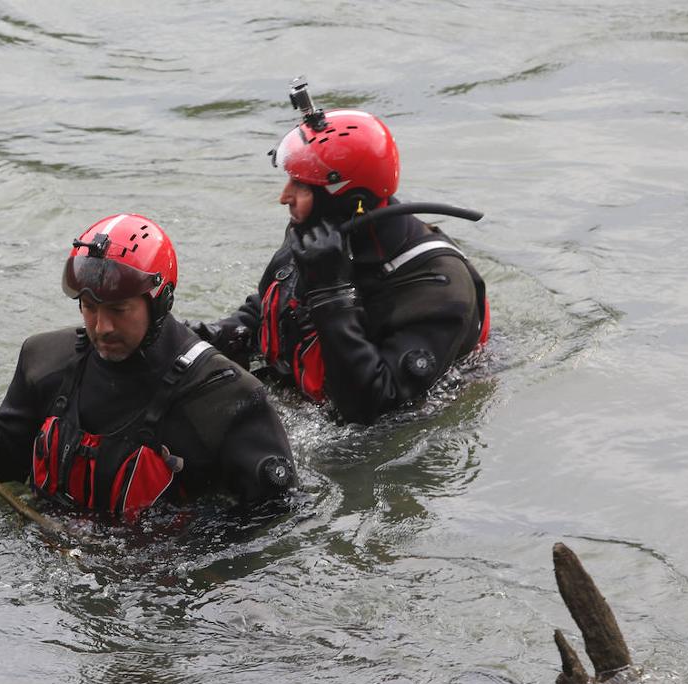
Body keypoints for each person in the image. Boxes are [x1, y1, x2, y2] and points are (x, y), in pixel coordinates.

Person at [0, 213, 297, 526]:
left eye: (119, 310)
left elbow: (274, 516)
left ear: (160, 302)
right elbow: (7, 455)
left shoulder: (226, 397)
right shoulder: (45, 360)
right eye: (89, 308)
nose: (102, 328)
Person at [193, 78, 490, 426]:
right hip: (305, 403)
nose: (284, 196)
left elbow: (372, 408)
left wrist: (330, 295)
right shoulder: (320, 237)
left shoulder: (439, 289)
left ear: (349, 202)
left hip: (390, 435)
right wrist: (205, 343)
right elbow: (266, 309)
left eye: (300, 185)